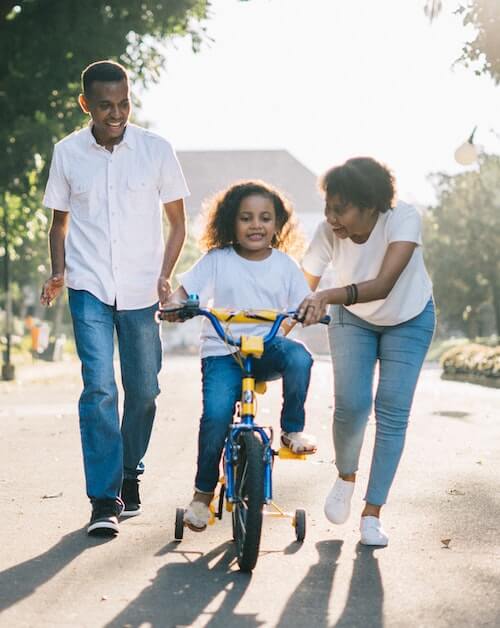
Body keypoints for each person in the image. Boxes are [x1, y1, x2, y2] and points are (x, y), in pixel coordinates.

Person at [40, 60, 189, 537]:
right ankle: (104, 499)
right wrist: (59, 271)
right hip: (88, 287)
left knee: (144, 391)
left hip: (143, 289)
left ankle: (130, 472)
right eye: (105, 105)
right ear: (86, 104)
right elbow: (59, 223)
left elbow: (178, 222)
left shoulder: (156, 150)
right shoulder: (67, 153)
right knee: (100, 388)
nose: (116, 113)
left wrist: (165, 275)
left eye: (123, 103)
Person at [298, 157, 435, 546]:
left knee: (392, 408)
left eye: (340, 209)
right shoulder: (329, 232)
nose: (331, 217)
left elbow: (384, 284)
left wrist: (325, 295)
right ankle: (345, 476)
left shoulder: (402, 219)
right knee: (352, 405)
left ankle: (372, 514)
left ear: (371, 205)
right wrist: (279, 325)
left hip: (409, 316)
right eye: (328, 207)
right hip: (353, 320)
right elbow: (299, 288)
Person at [164, 181, 316, 531]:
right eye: (246, 218)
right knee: (216, 416)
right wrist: (175, 305)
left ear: (278, 225)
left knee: (300, 358)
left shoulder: (285, 265)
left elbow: (303, 303)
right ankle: (202, 496)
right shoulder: (217, 260)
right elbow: (183, 292)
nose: (256, 225)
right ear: (231, 222)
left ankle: (292, 430)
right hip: (223, 351)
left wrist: (310, 311)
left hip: (266, 349)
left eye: (265, 218)